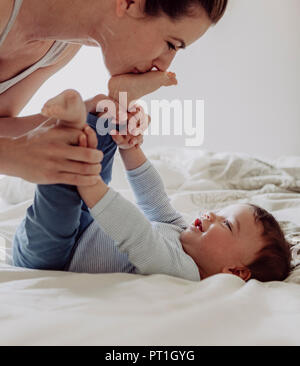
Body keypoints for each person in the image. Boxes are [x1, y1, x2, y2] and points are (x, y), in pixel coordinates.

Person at [0, 0, 236, 184]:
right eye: (171, 44)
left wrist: (88, 114)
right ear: (132, 0)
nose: (164, 66)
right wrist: (16, 156)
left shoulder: (62, 46)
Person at [12, 88, 291, 282]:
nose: (210, 215)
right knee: (106, 134)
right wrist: (130, 147)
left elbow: (138, 235)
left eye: (227, 224)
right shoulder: (181, 233)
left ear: (235, 271)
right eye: (220, 211)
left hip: (52, 256)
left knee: (65, 183)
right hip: (84, 228)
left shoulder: (182, 270)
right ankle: (94, 118)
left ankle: (67, 126)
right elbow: (153, 197)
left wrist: (90, 182)